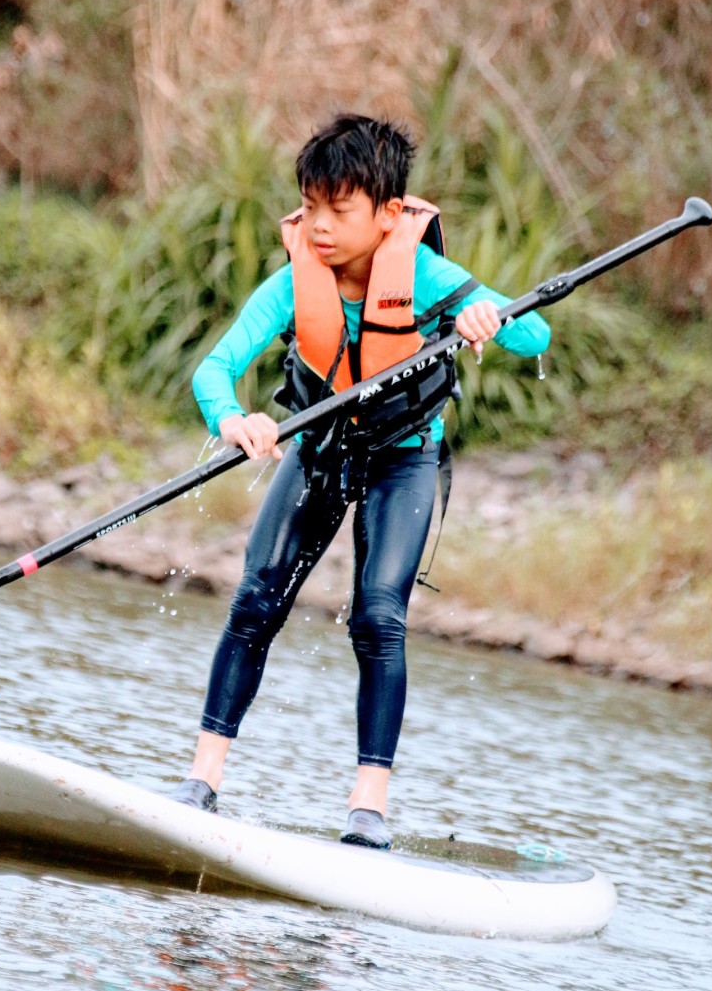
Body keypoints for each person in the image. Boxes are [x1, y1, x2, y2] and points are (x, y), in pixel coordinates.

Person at [167, 114, 551, 849]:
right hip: (318, 447)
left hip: (403, 456)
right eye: (310, 207)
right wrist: (234, 419)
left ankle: (367, 807)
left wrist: (488, 319)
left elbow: (536, 334)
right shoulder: (294, 282)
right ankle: (201, 781)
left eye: (338, 212)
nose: (318, 227)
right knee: (255, 599)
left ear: (387, 215)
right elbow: (213, 368)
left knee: (378, 615)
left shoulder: (429, 276)